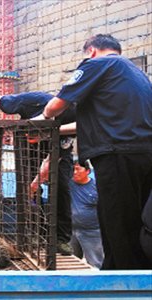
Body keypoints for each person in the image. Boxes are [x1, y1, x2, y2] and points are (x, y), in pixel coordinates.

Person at [40, 34, 152, 269]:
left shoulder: (98, 63)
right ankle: (136, 276)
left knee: (117, 222)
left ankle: (123, 283)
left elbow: (55, 105)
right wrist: (59, 132)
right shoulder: (137, 75)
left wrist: (45, 119)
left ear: (91, 51)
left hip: (116, 154)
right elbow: (95, 122)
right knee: (138, 221)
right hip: (143, 154)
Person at [0, 91, 75, 255]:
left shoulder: (70, 115)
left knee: (62, 188)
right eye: (30, 136)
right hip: (27, 148)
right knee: (24, 187)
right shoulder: (29, 102)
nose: (32, 139)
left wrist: (35, 183)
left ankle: (61, 239)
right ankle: (32, 234)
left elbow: (52, 161)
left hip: (58, 144)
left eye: (34, 137)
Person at [69, 162, 103, 269]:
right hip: (71, 230)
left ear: (87, 171)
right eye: (73, 169)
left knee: (96, 262)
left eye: (78, 169)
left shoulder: (96, 187)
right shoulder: (68, 184)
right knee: (71, 261)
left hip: (92, 231)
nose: (75, 172)